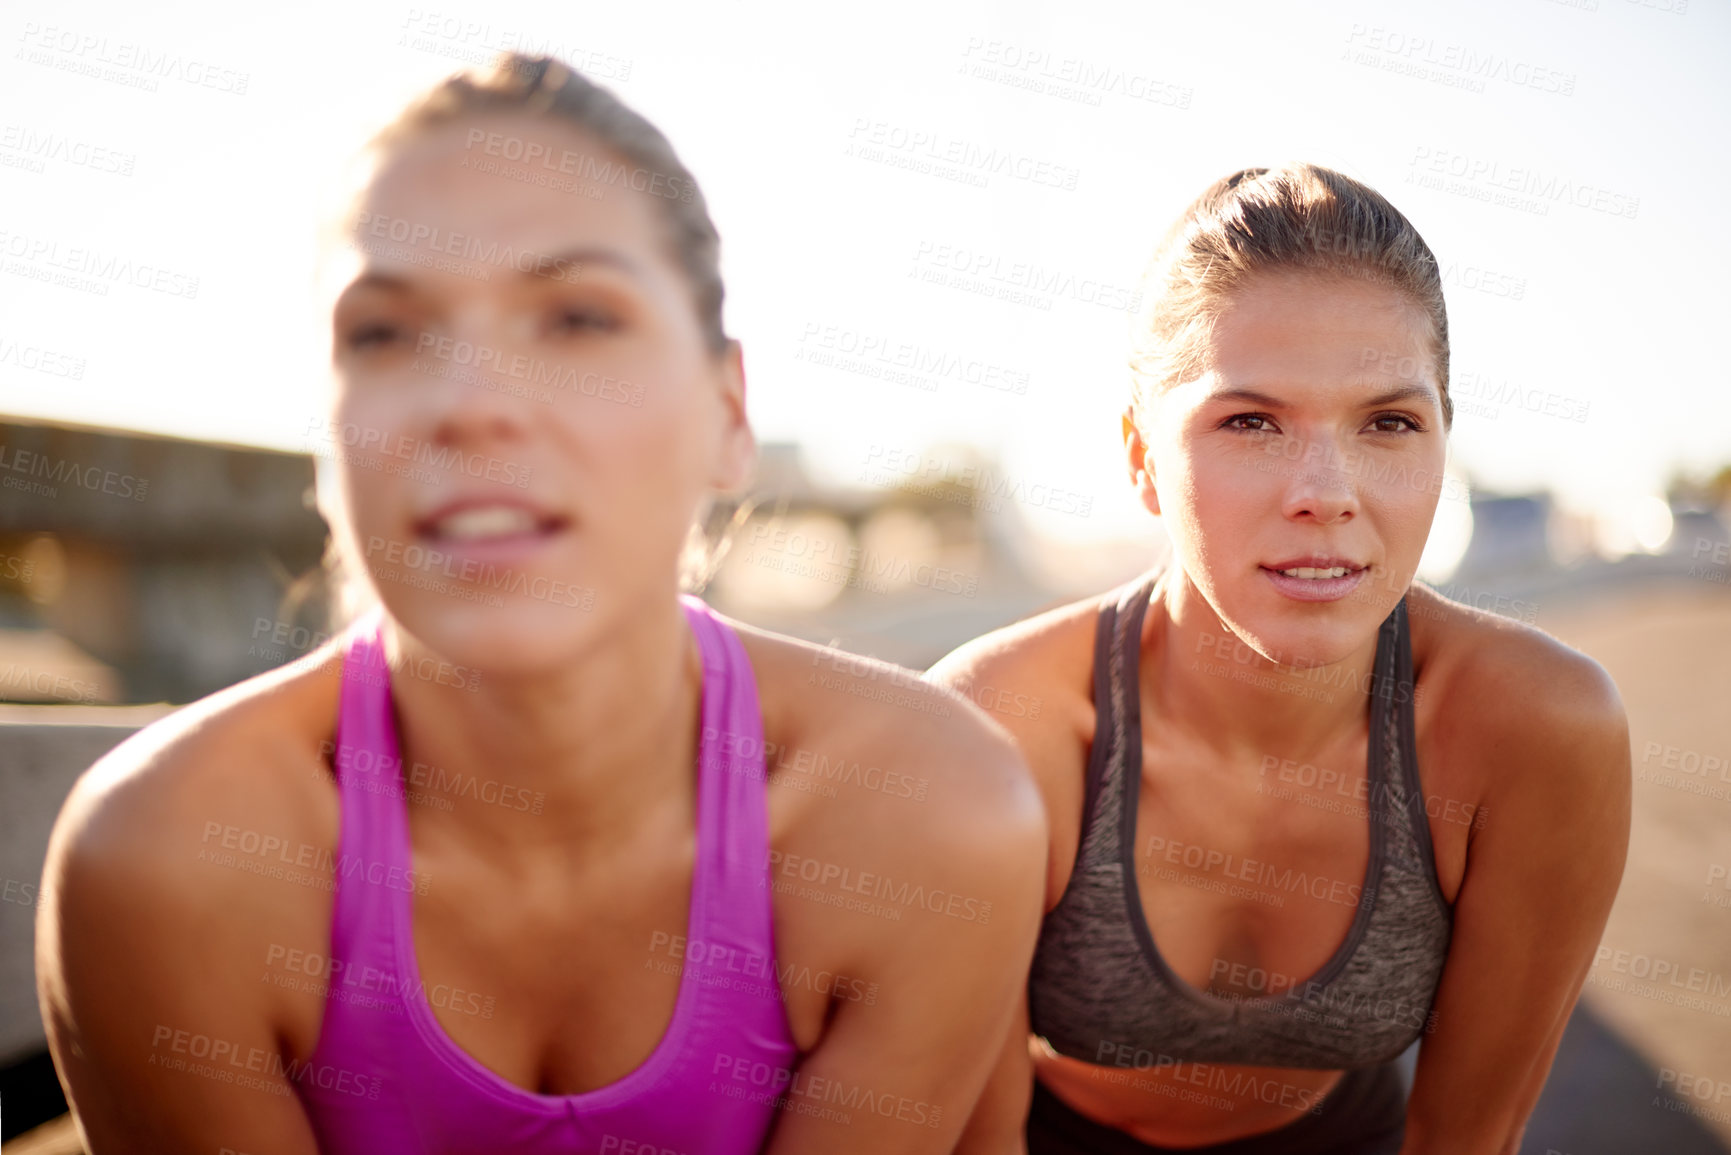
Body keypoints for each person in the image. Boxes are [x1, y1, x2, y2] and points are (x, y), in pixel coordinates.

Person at [35, 54, 1045, 1155]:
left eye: (575, 318)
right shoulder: (171, 856)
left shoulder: (927, 813)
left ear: (727, 412)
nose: (472, 402)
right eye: (383, 331)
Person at [930, 164, 1631, 1155]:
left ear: (1441, 441)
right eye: (1250, 422)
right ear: (1141, 459)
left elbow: (1466, 1139)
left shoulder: (1535, 723)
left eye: (1389, 422)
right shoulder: (996, 725)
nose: (1326, 493)